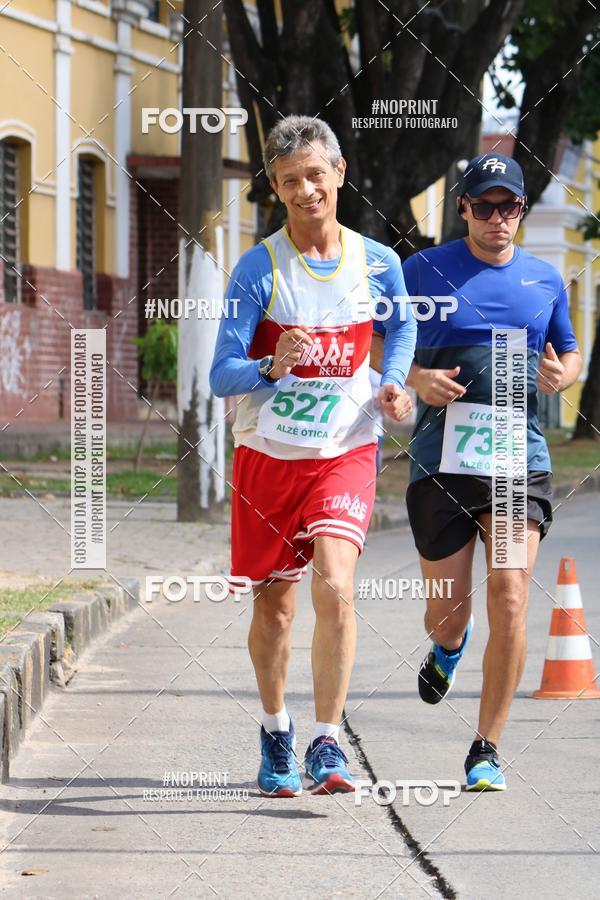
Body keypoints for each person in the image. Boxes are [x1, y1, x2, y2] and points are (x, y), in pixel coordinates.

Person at [209, 115, 416, 796]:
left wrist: (392, 381)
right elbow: (220, 374)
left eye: (316, 176)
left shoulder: (377, 261)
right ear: (276, 185)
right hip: (268, 454)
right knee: (276, 611)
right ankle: (276, 733)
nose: (306, 190)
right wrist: (269, 364)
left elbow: (403, 323)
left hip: (344, 447)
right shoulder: (258, 268)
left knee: (336, 584)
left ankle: (328, 743)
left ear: (340, 174)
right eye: (291, 179)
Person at [372, 152, 581, 791]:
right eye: (484, 206)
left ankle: (486, 747)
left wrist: (560, 375)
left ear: (520, 209)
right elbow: (380, 343)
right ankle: (447, 648)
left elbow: (568, 353)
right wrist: (414, 378)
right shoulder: (423, 269)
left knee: (511, 594)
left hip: (518, 459)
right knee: (449, 613)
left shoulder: (545, 279)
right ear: (463, 207)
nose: (498, 219)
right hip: (442, 461)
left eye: (509, 206)